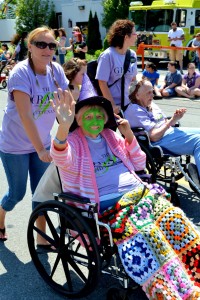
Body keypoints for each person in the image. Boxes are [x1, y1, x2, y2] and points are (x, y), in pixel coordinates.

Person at [49, 79, 200, 299]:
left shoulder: (111, 136)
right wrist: (63, 127)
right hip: (109, 206)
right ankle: (171, 291)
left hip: (140, 195)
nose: (96, 120)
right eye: (88, 116)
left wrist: (128, 135)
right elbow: (60, 158)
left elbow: (139, 164)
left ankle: (194, 273)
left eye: (100, 115)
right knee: (146, 233)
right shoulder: (73, 141)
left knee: (175, 218)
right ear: (78, 120)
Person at [0, 26, 68, 242]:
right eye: (41, 44)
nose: (47, 50)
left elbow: (67, 102)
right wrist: (39, 148)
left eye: (51, 45)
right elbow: (25, 115)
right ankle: (0, 217)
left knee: (42, 193)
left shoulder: (56, 70)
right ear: (30, 47)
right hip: (15, 145)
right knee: (17, 194)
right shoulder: (21, 72)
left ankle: (41, 236)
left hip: (43, 142)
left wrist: (70, 130)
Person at [124, 79, 200, 187]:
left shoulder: (152, 104)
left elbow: (164, 122)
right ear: (137, 95)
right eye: (148, 93)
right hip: (160, 141)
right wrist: (171, 121)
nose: (152, 95)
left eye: (152, 91)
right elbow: (154, 137)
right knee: (198, 142)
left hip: (168, 133)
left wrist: (175, 118)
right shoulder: (134, 110)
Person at [96, 19, 137, 114]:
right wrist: (112, 105)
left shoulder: (132, 55)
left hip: (128, 105)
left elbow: (133, 80)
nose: (137, 36)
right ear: (126, 37)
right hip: (110, 107)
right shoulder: (107, 55)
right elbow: (102, 83)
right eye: (134, 33)